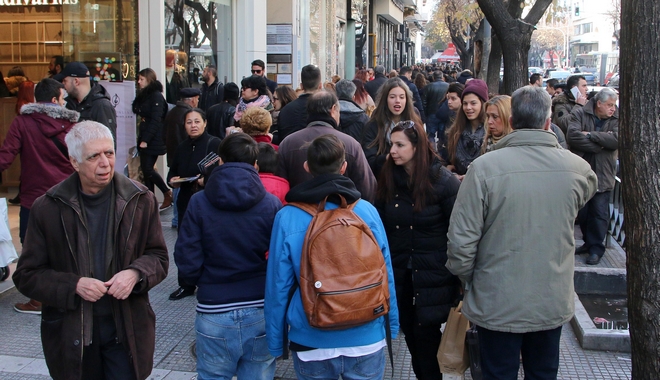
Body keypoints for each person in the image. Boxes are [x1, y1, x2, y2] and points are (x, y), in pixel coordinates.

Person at [446, 86, 597, 380]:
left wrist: (468, 280)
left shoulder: (483, 169)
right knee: (543, 372)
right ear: (548, 122)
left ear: (512, 120)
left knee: (497, 372)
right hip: (549, 298)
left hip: (495, 298)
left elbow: (461, 242)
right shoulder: (578, 170)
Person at [13, 121, 169, 380]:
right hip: (73, 333)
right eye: (94, 156)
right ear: (74, 162)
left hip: (126, 329)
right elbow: (27, 275)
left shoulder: (139, 199)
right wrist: (73, 285)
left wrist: (134, 273)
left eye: (109, 153)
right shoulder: (48, 207)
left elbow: (159, 257)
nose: (105, 163)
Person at [265, 134, 399, 380]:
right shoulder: (366, 211)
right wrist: (391, 326)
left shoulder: (287, 217)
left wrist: (276, 342)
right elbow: (385, 272)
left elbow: (278, 285)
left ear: (307, 168)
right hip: (366, 333)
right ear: (344, 167)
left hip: (311, 336)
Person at [174, 133, 281, 379]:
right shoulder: (270, 204)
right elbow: (279, 256)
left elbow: (186, 252)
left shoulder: (199, 202)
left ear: (220, 161)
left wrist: (200, 280)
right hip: (259, 305)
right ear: (256, 165)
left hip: (214, 306)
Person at [376, 120, 461, 379]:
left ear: (417, 147)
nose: (393, 150)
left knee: (425, 338)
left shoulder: (443, 183)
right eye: (392, 144)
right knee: (412, 335)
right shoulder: (389, 178)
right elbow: (379, 222)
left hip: (434, 276)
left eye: (400, 145)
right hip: (401, 274)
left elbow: (457, 230)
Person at [1, 78, 78, 314]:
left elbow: (5, 156)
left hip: (33, 198)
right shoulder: (72, 126)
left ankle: (39, 299)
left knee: (33, 247)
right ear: (55, 100)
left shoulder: (22, 123)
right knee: (68, 243)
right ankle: (69, 292)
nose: (65, 102)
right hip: (66, 195)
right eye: (63, 98)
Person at [277, 91, 377, 203]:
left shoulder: (287, 143)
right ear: (333, 109)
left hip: (299, 213)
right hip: (341, 214)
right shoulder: (351, 144)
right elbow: (367, 189)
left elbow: (280, 185)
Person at [167, 108, 221, 300]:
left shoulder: (215, 144)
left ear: (205, 123)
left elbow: (221, 173)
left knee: (209, 242)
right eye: (189, 122)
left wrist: (204, 181)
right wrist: (172, 181)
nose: (193, 126)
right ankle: (186, 283)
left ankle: (209, 281)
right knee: (185, 243)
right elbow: (171, 173)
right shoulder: (181, 147)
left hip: (208, 201)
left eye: (197, 121)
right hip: (186, 201)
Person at [567, 88, 619, 265]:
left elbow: (617, 140)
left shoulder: (616, 119)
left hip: (603, 174)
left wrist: (590, 135)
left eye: (614, 105)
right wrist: (600, 144)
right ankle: (588, 244)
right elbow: (572, 136)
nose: (613, 108)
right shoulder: (581, 113)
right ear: (599, 104)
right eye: (609, 105)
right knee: (583, 213)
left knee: (599, 214)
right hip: (581, 173)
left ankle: (596, 248)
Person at [362, 77, 423, 179]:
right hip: (385, 181)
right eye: (392, 97)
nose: (397, 101)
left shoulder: (414, 118)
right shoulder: (373, 125)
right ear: (385, 99)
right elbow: (369, 161)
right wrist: (390, 157)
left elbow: (424, 148)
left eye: (402, 97)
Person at [132, 68, 173, 211]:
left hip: (152, 139)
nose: (139, 82)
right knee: (146, 170)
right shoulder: (146, 96)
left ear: (149, 79)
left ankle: (166, 192)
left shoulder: (156, 96)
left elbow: (156, 120)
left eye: (141, 79)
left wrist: (146, 139)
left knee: (148, 169)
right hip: (146, 136)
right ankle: (150, 201)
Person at [163, 87, 200, 228]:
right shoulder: (187, 115)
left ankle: (175, 218)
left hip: (172, 156)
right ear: (191, 100)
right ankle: (177, 219)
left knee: (176, 186)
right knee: (181, 190)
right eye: (196, 99)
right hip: (183, 160)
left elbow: (163, 135)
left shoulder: (171, 112)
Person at [54, 61, 117, 142]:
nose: (63, 84)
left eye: (65, 81)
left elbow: (108, 145)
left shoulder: (101, 106)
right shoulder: (67, 104)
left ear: (76, 82)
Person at [443, 78, 488, 180]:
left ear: (482, 103)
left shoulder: (491, 130)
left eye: (473, 103)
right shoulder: (455, 131)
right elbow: (447, 160)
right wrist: (451, 172)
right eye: (465, 103)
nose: (468, 107)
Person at [274, 64, 323, 144]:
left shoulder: (286, 110)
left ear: (301, 86)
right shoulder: (325, 109)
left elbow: (281, 138)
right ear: (320, 85)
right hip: (318, 154)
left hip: (289, 153)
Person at [436, 82, 464, 159]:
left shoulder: (465, 118)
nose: (449, 102)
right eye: (448, 98)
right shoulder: (451, 113)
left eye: (453, 99)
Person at [423, 71, 449, 144]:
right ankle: (441, 150)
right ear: (442, 77)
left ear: (433, 77)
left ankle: (432, 151)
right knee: (442, 135)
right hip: (444, 113)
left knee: (430, 135)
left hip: (431, 113)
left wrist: (425, 113)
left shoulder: (429, 86)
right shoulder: (448, 86)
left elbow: (424, 102)